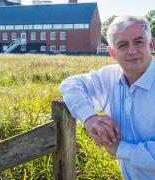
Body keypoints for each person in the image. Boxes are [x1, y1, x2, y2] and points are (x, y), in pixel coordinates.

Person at [60, 15, 155, 179]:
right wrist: (90, 118)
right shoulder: (108, 76)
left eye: (138, 42)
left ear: (151, 44)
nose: (132, 51)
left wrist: (119, 149)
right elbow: (70, 84)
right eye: (123, 45)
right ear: (112, 53)